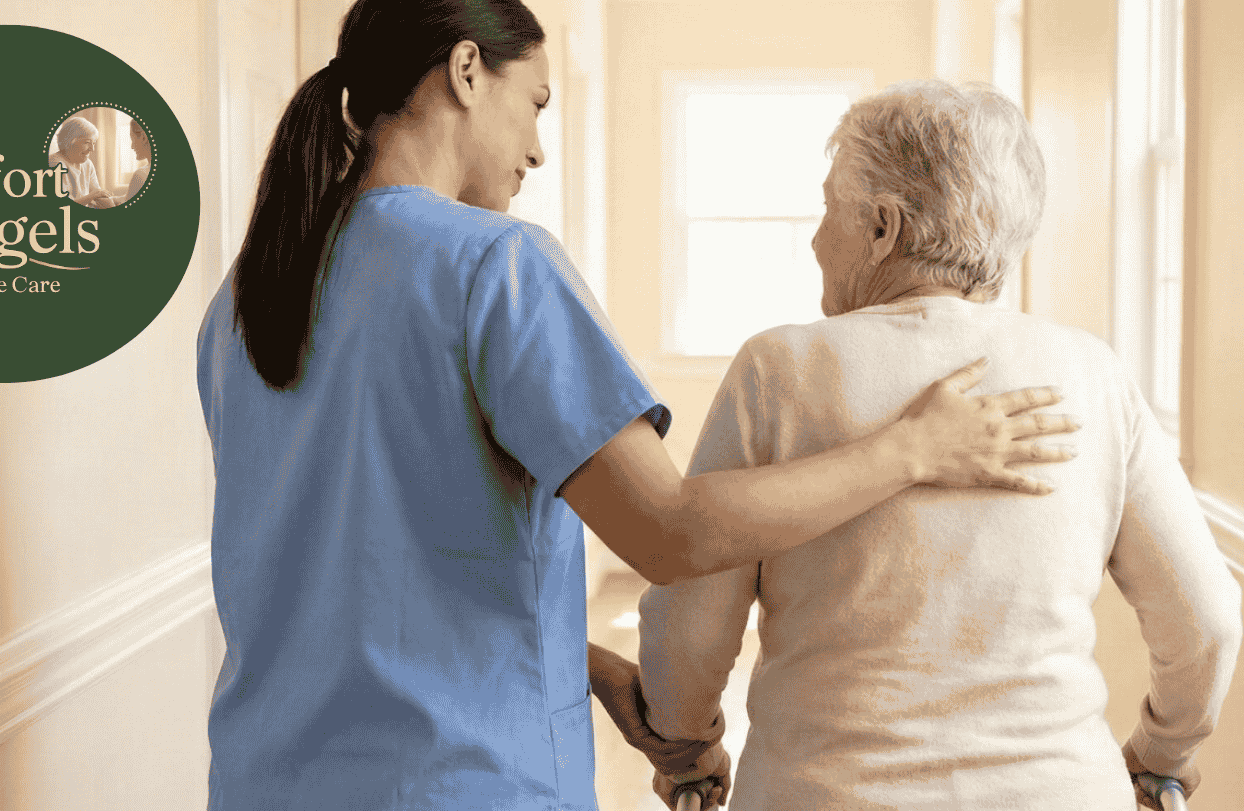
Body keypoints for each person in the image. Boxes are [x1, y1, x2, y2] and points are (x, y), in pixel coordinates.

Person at [195, 3, 1081, 808]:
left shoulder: (244, 297)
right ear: (467, 72)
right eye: (536, 102)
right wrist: (911, 451)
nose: (538, 149)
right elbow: (670, 530)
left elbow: (348, 569)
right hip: (455, 785)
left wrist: (579, 667)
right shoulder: (496, 267)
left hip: (262, 779)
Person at [637, 80, 1243, 811]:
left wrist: (688, 744)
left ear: (882, 227)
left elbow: (690, 629)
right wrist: (1163, 751)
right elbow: (1206, 620)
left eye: (829, 209)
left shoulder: (780, 370)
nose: (814, 238)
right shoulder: (1093, 375)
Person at [49, 116, 114, 208]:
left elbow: (98, 194)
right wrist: (93, 195)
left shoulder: (87, 164)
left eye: (94, 143)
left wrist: (111, 201)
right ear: (70, 141)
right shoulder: (55, 164)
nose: (92, 149)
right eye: (87, 142)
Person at [125, 118, 150, 200]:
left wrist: (108, 205)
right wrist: (113, 199)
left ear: (143, 138)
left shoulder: (141, 175)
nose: (132, 146)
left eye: (132, 139)